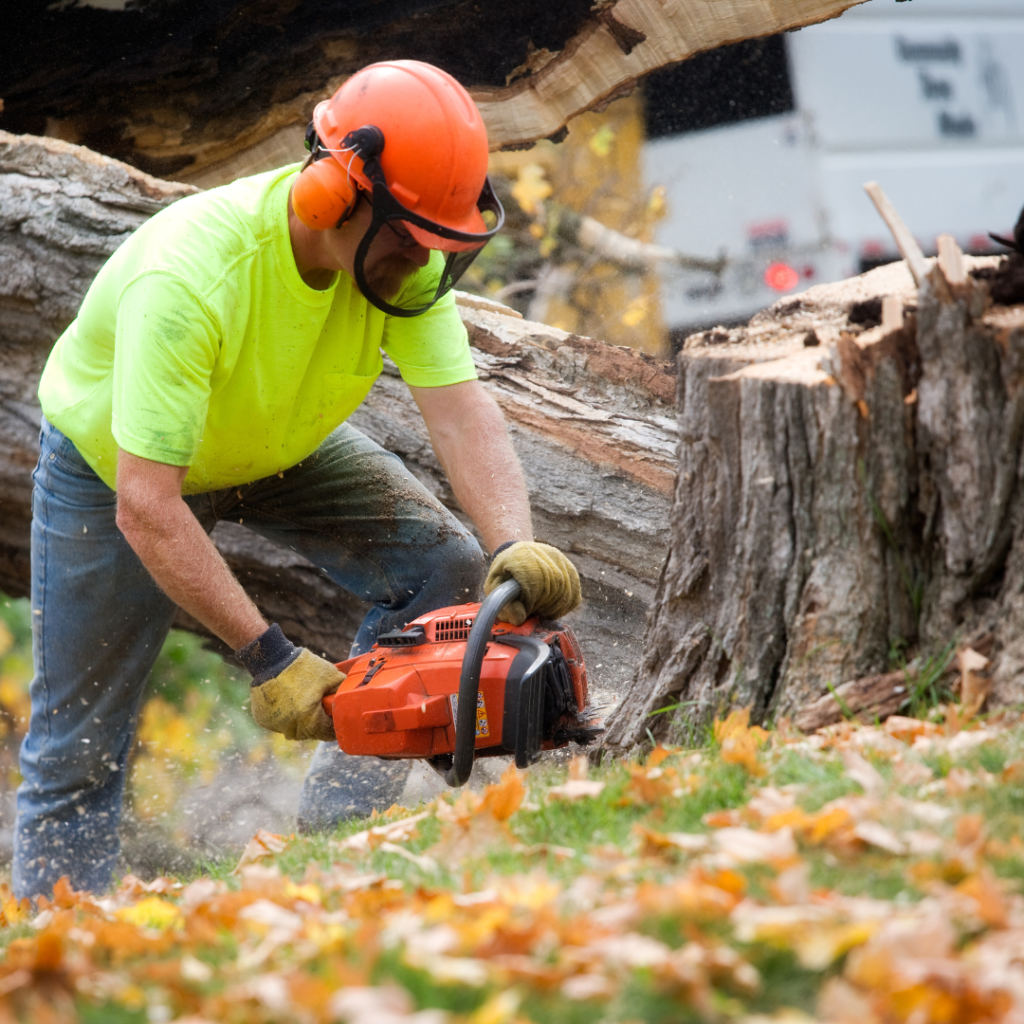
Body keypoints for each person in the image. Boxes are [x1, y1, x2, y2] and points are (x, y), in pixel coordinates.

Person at [14, 59, 581, 900]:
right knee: (77, 751)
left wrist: (515, 545)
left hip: (277, 447)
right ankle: (60, 956)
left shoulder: (405, 260)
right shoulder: (191, 281)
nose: (422, 261)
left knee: (443, 569)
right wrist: (270, 659)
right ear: (331, 195)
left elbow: (462, 413)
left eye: (437, 241)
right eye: (407, 238)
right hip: (117, 474)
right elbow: (148, 506)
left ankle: (336, 854)